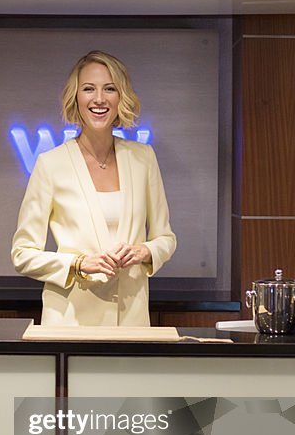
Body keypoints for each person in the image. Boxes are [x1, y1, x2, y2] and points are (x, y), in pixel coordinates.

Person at [11, 50, 176, 326]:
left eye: (109, 89)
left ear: (120, 97)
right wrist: (76, 264)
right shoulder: (50, 164)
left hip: (131, 324)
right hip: (69, 324)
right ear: (76, 97)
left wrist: (146, 251)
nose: (99, 99)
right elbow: (22, 253)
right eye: (89, 89)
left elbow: (166, 238)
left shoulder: (143, 158)